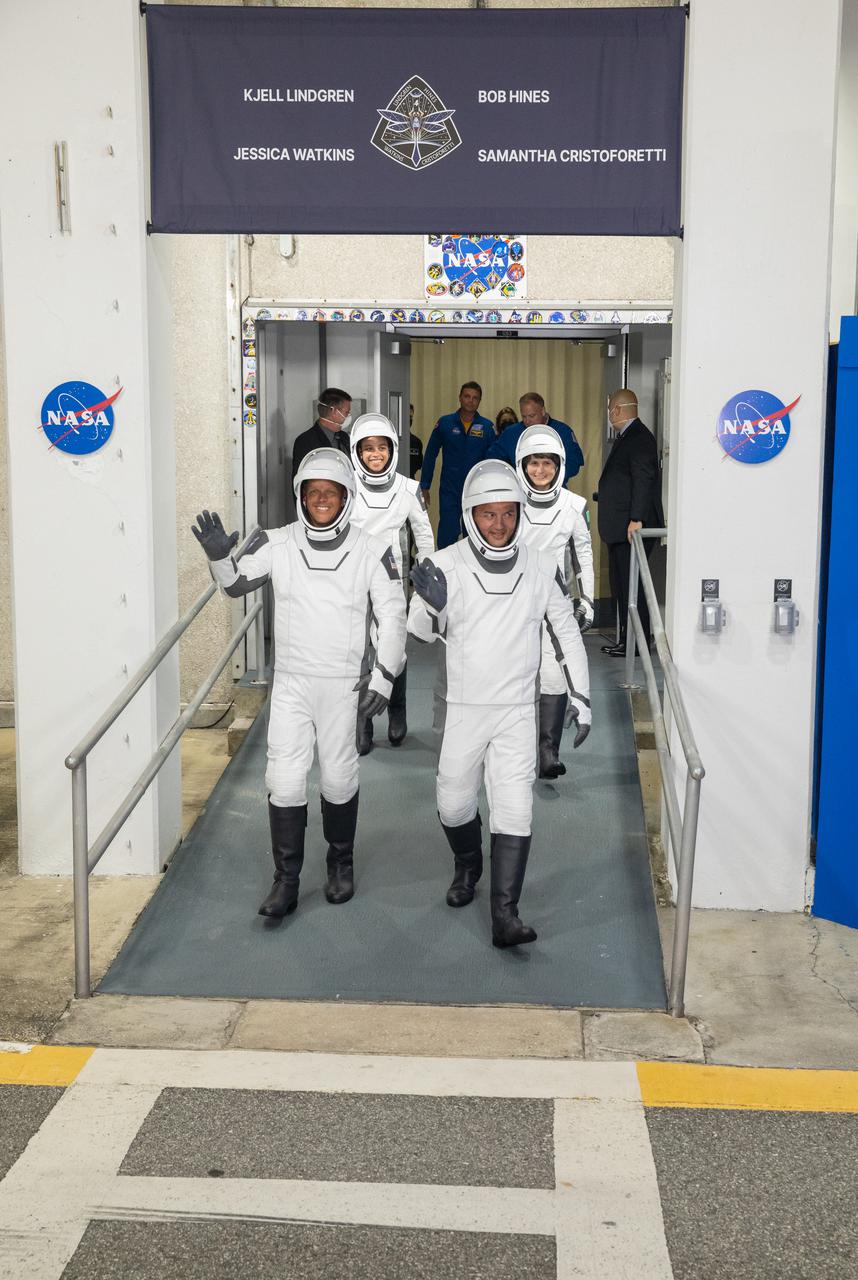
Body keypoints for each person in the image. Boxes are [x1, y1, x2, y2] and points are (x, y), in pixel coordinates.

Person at [192, 449, 406, 919]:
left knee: (337, 776)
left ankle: (339, 864)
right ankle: (285, 880)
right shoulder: (277, 542)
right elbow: (234, 585)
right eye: (313, 493)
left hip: (344, 684)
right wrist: (217, 558)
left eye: (330, 493)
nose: (321, 501)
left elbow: (393, 617)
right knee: (285, 782)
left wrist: (385, 676)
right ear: (300, 497)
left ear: (346, 497)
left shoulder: (373, 549)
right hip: (291, 683)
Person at [408, 459, 591, 948]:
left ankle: (505, 915)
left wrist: (582, 695)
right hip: (465, 709)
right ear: (471, 514)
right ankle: (468, 864)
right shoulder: (443, 564)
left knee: (515, 809)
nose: (499, 524)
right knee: (452, 803)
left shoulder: (540, 564)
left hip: (516, 710)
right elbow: (419, 635)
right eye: (488, 514)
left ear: (519, 513)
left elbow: (566, 632)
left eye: (508, 513)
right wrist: (433, 605)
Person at [349, 412, 435, 754]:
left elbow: (424, 536)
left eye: (381, 448)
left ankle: (397, 710)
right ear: (357, 451)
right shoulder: (347, 485)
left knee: (393, 648)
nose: (375, 454)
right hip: (353, 578)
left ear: (392, 450)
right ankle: (362, 719)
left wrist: (425, 576)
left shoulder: (408, 489)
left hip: (393, 578)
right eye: (367, 448)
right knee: (357, 648)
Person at [516, 424, 595, 780]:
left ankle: (548, 750)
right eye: (534, 463)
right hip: (509, 599)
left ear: (559, 465)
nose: (540, 471)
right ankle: (512, 746)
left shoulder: (572, 506)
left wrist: (588, 601)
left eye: (547, 463)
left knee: (552, 675)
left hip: (556, 604)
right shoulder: (508, 498)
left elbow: (583, 555)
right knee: (512, 673)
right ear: (522, 464)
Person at [595, 390, 665, 656]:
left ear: (617, 410)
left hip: (631, 529)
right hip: (620, 529)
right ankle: (628, 641)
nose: (610, 415)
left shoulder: (639, 439)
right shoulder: (629, 438)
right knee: (624, 588)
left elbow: (643, 478)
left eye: (610, 409)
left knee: (632, 587)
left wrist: (636, 519)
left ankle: (637, 643)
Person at [419, 381, 494, 548]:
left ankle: (474, 569)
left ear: (479, 401)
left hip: (476, 489)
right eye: (467, 396)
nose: (470, 401)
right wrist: (425, 485)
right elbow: (431, 454)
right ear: (460, 398)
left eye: (475, 398)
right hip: (450, 488)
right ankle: (444, 568)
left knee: (475, 531)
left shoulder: (487, 427)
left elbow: (493, 461)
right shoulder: (445, 423)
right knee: (448, 531)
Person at [487, 392, 584, 482]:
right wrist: (511, 474)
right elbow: (493, 456)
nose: (527, 421)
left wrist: (546, 476)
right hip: (521, 491)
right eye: (524, 416)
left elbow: (574, 464)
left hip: (555, 490)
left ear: (542, 411)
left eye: (532, 416)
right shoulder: (512, 433)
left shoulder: (563, 431)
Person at [290, 387, 352, 488]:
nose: (349, 416)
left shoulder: (345, 438)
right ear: (334, 411)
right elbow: (299, 483)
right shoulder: (306, 441)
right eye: (347, 412)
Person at [408, 403, 424, 480]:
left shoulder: (416, 442)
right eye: (407, 416)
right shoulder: (388, 441)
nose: (409, 419)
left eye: (410, 417)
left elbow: (418, 465)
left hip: (410, 482)